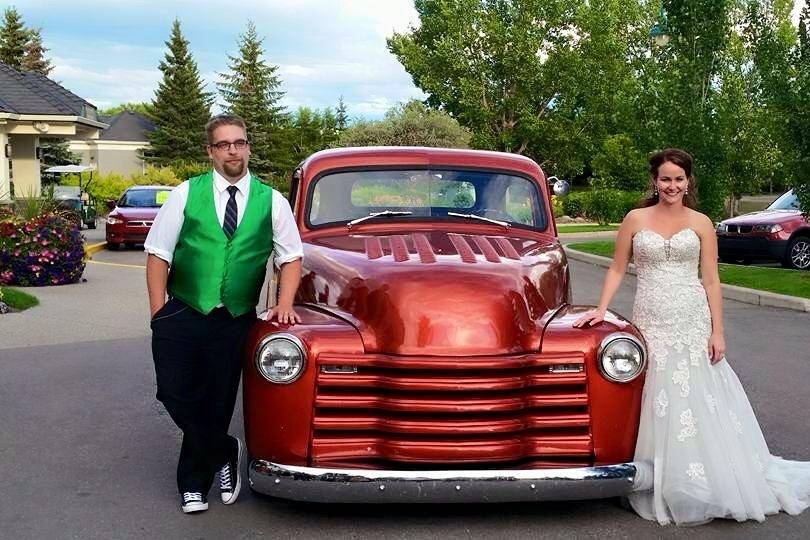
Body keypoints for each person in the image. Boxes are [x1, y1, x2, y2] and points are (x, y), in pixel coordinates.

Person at [574, 148, 810, 526]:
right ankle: (661, 477)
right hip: (650, 316)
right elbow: (618, 268)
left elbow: (712, 280)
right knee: (656, 395)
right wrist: (601, 309)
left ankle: (706, 479)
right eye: (665, 178)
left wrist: (718, 331)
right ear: (655, 180)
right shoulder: (635, 219)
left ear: (688, 182)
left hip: (691, 316)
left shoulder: (701, 222)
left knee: (697, 393)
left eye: (678, 179)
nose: (672, 186)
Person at [144, 114, 303, 514]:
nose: (233, 150)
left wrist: (284, 304)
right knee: (174, 392)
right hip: (181, 311)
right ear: (210, 152)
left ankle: (193, 485)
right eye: (224, 144)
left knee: (216, 401)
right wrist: (158, 312)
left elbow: (291, 256)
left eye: (239, 142)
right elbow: (158, 254)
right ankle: (225, 449)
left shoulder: (272, 201)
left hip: (234, 318)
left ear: (247, 147)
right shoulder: (185, 193)